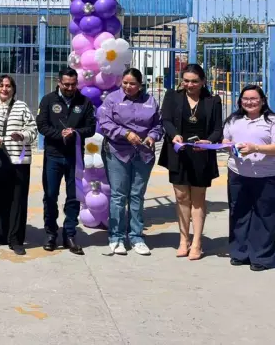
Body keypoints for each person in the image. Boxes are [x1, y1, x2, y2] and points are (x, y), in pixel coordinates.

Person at [158, 63, 222, 260]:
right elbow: (166, 120)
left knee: (198, 199)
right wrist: (174, 135)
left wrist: (209, 141)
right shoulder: (172, 96)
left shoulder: (213, 100)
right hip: (179, 153)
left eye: (194, 81)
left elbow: (218, 129)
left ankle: (197, 242)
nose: (190, 84)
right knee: (181, 197)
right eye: (186, 80)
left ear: (203, 82)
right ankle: (183, 240)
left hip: (202, 154)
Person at [97, 68, 163, 256]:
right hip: (118, 151)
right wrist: (125, 133)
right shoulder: (112, 99)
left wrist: (152, 136)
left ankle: (136, 237)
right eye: (125, 82)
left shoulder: (150, 101)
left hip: (143, 154)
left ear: (140, 85)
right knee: (118, 195)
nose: (128, 86)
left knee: (137, 195)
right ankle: (116, 237)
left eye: (132, 83)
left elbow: (158, 125)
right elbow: (105, 122)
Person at [36, 67, 96, 255]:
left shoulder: (84, 102)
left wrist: (75, 132)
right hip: (53, 155)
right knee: (51, 195)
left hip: (74, 157)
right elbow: (41, 125)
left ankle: (70, 233)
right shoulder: (48, 100)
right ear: (59, 82)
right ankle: (51, 233)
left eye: (73, 84)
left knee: (73, 196)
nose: (70, 88)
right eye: (66, 84)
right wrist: (58, 134)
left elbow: (91, 128)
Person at [0, 74, 38, 254]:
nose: (4, 89)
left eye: (8, 86)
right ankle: (3, 233)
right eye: (1, 85)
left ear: (13, 89)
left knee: (18, 199)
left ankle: (16, 239)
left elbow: (33, 129)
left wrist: (23, 135)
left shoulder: (22, 107)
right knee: (1, 198)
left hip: (19, 160)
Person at [223, 85, 275, 271]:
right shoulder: (233, 120)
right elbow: (225, 142)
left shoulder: (271, 121)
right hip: (237, 173)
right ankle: (240, 252)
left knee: (264, 215)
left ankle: (261, 256)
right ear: (240, 100)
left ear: (262, 100)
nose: (250, 102)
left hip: (266, 175)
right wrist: (226, 145)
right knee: (239, 212)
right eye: (246, 99)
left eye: (254, 99)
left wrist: (256, 148)